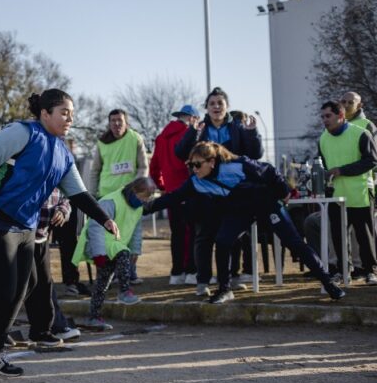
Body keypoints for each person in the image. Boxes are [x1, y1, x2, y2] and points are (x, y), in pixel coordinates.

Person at [0, 89, 120, 377]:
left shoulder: (62, 153)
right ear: (45, 114)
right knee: (6, 291)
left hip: (26, 227)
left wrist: (105, 219)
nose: (70, 117)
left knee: (25, 287)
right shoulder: (24, 132)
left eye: (72, 113)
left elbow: (79, 194)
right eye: (64, 112)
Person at [147, 141, 345, 303]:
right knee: (223, 241)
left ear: (212, 162)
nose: (194, 169)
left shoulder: (237, 165)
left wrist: (284, 192)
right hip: (239, 210)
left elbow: (269, 171)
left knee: (293, 242)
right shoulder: (196, 181)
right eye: (190, 165)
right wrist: (145, 208)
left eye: (198, 164)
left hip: (265, 204)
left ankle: (328, 282)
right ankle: (225, 289)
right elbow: (171, 198)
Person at [175, 87, 263, 295]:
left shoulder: (238, 128)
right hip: (203, 192)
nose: (216, 107)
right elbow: (180, 153)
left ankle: (232, 277)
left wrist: (252, 133)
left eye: (220, 103)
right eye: (212, 103)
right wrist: (191, 133)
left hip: (232, 192)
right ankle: (203, 281)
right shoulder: (200, 128)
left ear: (227, 107)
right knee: (204, 237)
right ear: (206, 107)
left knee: (233, 237)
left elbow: (255, 154)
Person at [0, 188, 80, 346]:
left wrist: (63, 210)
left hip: (41, 234)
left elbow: (65, 198)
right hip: (18, 233)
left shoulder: (58, 169)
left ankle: (41, 331)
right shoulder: (29, 166)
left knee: (43, 283)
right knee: (16, 284)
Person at [73, 177, 157, 330]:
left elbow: (136, 230)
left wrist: (136, 250)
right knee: (123, 252)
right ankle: (124, 291)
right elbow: (95, 226)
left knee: (102, 284)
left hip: (114, 245)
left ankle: (94, 317)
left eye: (147, 199)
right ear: (134, 191)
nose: (144, 202)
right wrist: (98, 253)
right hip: (102, 243)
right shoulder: (111, 201)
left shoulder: (137, 207)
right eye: (142, 197)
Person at [318, 100, 377, 285]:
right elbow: (324, 166)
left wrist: (342, 170)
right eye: (322, 117)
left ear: (341, 115)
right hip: (335, 195)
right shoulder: (322, 139)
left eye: (328, 116)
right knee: (338, 236)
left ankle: (371, 271)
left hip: (359, 193)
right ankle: (344, 272)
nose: (325, 120)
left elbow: (372, 161)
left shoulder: (361, 133)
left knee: (364, 235)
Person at [88, 109, 148, 283]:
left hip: (131, 198)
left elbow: (143, 167)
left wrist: (134, 187)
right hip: (107, 197)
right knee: (112, 238)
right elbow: (95, 171)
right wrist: (92, 196)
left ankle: (130, 272)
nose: (116, 124)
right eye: (112, 121)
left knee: (134, 238)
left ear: (126, 122)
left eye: (120, 120)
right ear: (109, 123)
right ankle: (115, 273)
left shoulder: (136, 138)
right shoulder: (101, 143)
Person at [150, 104, 199, 285]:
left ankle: (176, 273)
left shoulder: (161, 137)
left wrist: (163, 186)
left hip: (171, 192)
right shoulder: (189, 134)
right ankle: (192, 272)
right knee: (193, 232)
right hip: (190, 189)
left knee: (177, 233)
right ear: (192, 118)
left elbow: (154, 168)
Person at [55, 138, 90, 296]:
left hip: (66, 203)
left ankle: (71, 282)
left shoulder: (69, 162)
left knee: (69, 241)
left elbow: (74, 188)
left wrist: (63, 208)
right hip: (42, 206)